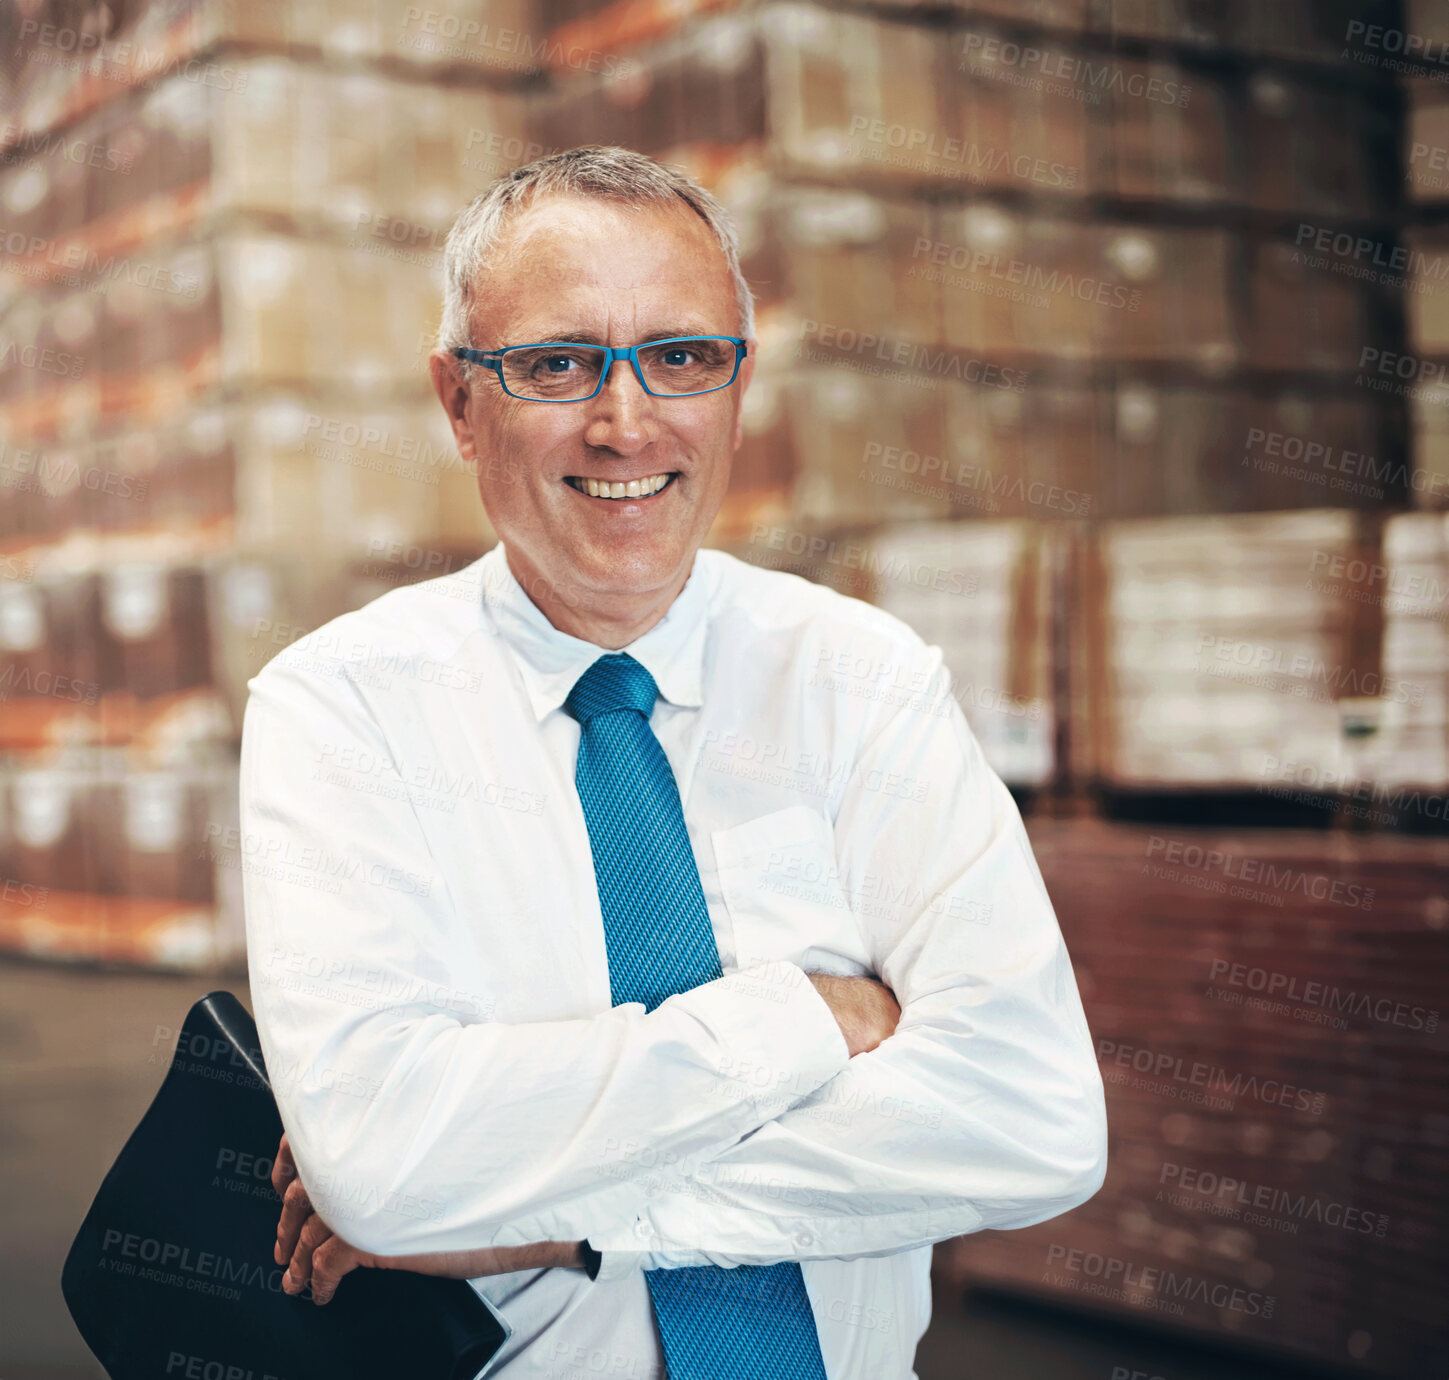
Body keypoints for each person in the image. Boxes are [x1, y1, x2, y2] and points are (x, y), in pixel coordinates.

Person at [239, 145, 1107, 1380]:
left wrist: (563, 1223)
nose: (625, 420)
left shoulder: (867, 680)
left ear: (739, 388)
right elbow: (384, 1162)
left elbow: (1034, 1122)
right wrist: (807, 1014)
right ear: (458, 402)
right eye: (556, 363)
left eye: (681, 356)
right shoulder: (339, 712)